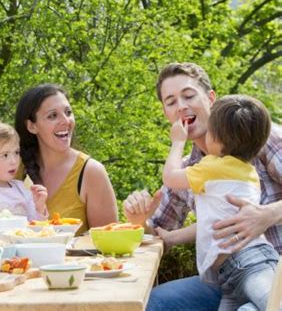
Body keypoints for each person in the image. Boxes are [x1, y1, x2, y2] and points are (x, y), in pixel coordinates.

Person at [123, 62, 282, 310]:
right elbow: (158, 235)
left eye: (188, 96)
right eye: (171, 101)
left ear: (211, 99)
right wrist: (139, 220)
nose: (182, 106)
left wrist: (269, 214)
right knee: (153, 304)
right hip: (225, 277)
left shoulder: (262, 137)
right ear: (167, 113)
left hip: (271, 266)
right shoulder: (191, 170)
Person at [162, 95, 278, 310]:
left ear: (216, 139)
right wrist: (170, 237)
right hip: (229, 273)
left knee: (274, 305)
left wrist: (177, 142)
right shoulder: (242, 169)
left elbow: (170, 177)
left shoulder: (213, 167)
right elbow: (215, 222)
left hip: (249, 262)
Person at [15, 83, 118, 234]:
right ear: (31, 126)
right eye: (52, 116)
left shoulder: (91, 172)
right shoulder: (15, 168)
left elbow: (109, 241)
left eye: (68, 112)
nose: (66, 121)